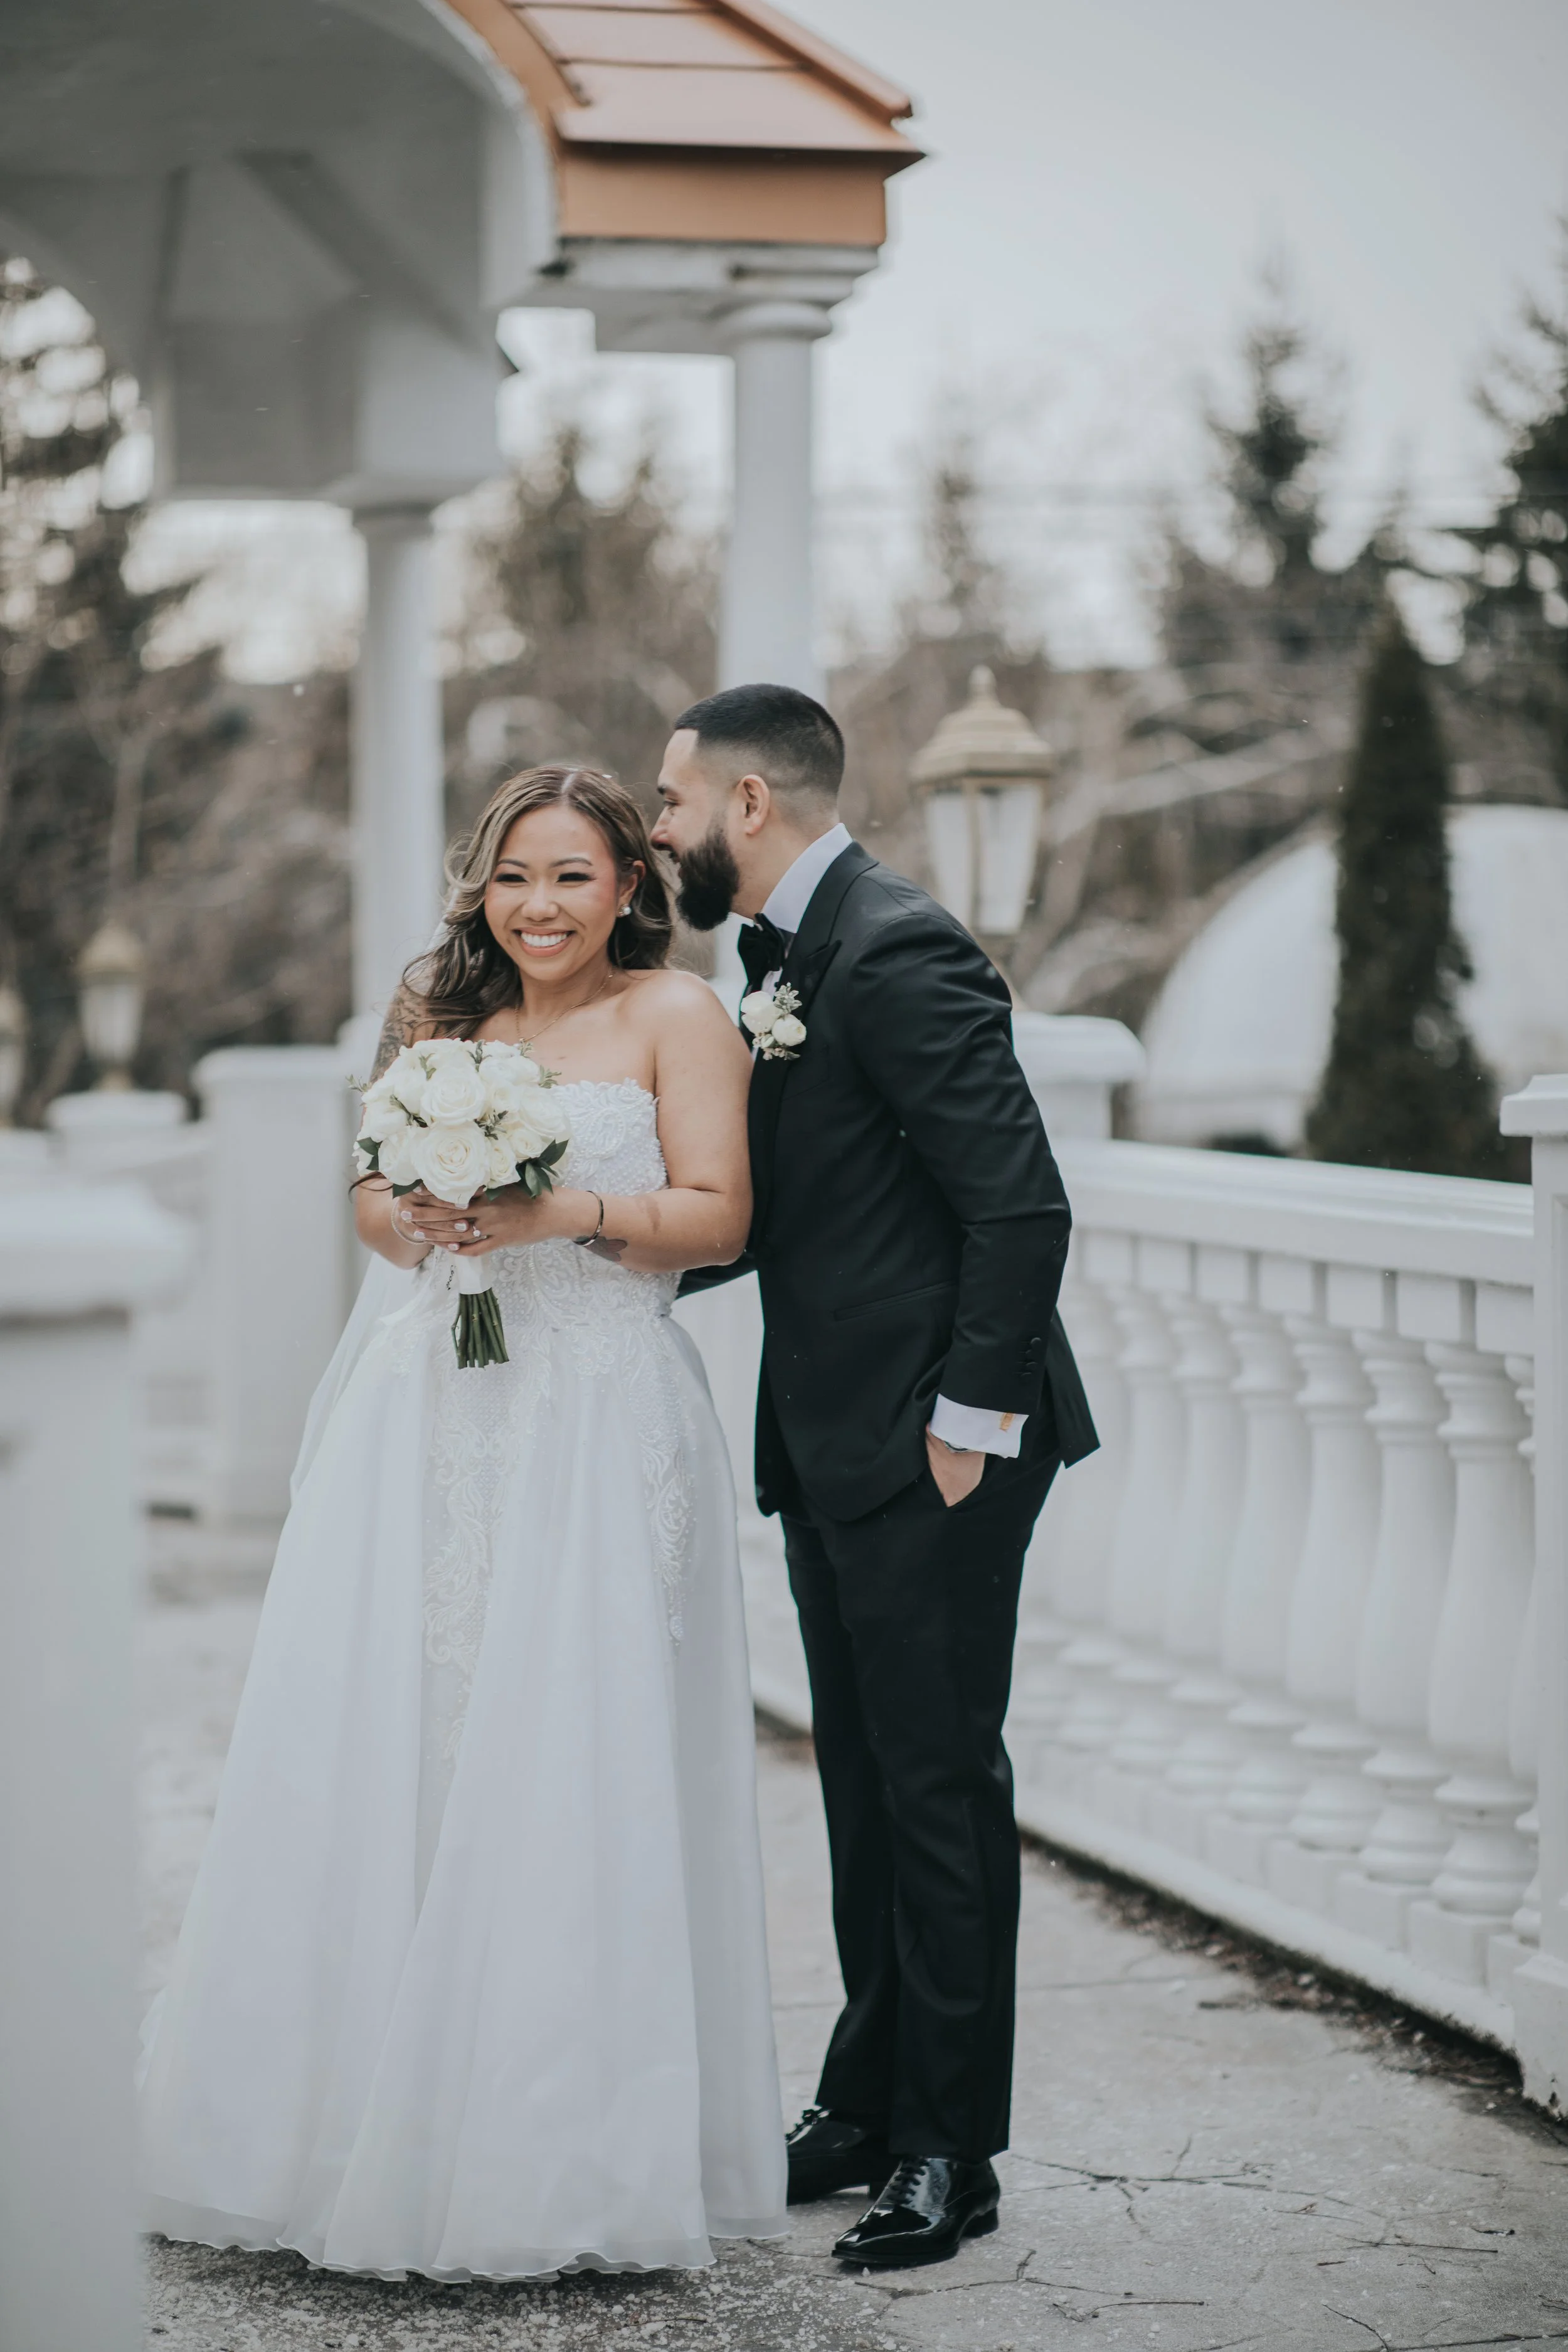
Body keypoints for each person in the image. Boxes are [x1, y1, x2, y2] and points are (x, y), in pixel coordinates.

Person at [139, 766, 788, 2280]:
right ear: (480, 887)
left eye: (569, 876)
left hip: (597, 1417)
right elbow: (372, 1200)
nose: (536, 907)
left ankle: (554, 2152)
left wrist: (565, 1213)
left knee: (573, 1736)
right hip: (429, 1403)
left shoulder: (676, 1016)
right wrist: (422, 1214)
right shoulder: (438, 1011)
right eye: (512, 877)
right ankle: (351, 2117)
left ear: (627, 885)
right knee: (398, 1720)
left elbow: (719, 1213)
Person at [653, 684, 1097, 2272]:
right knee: (862, 1782)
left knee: (937, 1789)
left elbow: (1019, 1208)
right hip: (835, 1443)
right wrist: (585, 1249)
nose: (659, 829)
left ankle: (947, 2151)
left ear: (747, 805)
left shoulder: (898, 948)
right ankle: (862, 2102)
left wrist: (964, 1427)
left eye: (670, 802)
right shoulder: (781, 957)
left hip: (932, 1448)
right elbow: (798, 1205)